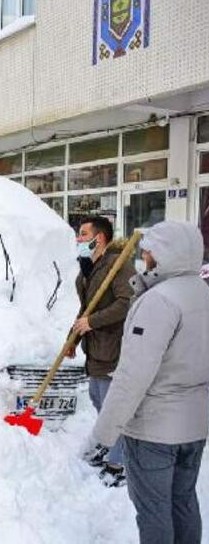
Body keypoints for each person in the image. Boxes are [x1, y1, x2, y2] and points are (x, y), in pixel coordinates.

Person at [92, 221, 209, 544]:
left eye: (149, 249)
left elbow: (134, 374)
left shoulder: (159, 301)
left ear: (165, 253)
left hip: (154, 429)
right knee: (183, 500)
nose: (144, 254)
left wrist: (105, 431)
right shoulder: (203, 292)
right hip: (194, 425)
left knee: (154, 509)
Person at [70, 215, 136, 487]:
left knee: (113, 407)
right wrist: (72, 340)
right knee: (99, 401)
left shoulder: (118, 266)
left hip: (114, 346)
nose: (78, 239)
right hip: (95, 348)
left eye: (83, 234)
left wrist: (93, 322)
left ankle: (120, 461)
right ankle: (110, 445)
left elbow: (128, 301)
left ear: (100, 237)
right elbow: (85, 310)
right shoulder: (88, 267)